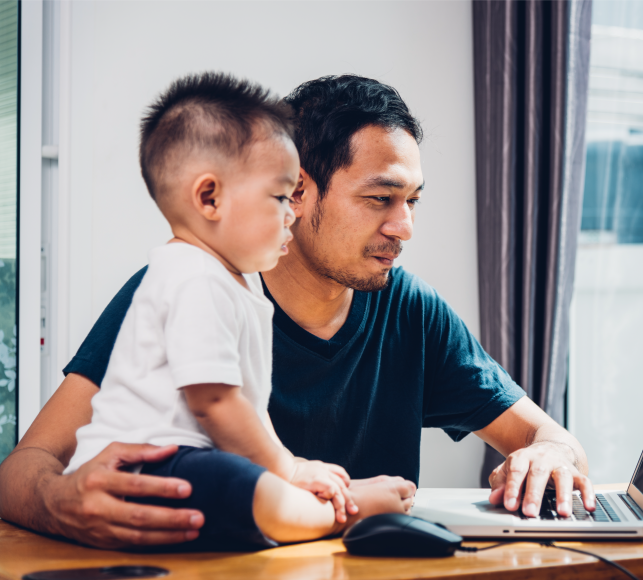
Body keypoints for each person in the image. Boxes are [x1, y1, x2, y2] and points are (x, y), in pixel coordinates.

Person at [0, 74, 594, 550]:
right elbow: (23, 468)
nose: (404, 226)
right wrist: (61, 502)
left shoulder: (411, 311)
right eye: (380, 199)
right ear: (298, 192)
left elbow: (546, 434)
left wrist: (551, 451)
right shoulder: (181, 286)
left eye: (411, 201)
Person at [60, 72, 412, 549]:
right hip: (146, 469)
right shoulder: (191, 277)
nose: (293, 213)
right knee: (246, 485)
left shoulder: (237, 280)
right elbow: (215, 402)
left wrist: (290, 464)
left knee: (245, 476)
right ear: (210, 198)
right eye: (280, 197)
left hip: (189, 463)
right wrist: (287, 469)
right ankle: (339, 515)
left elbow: (245, 402)